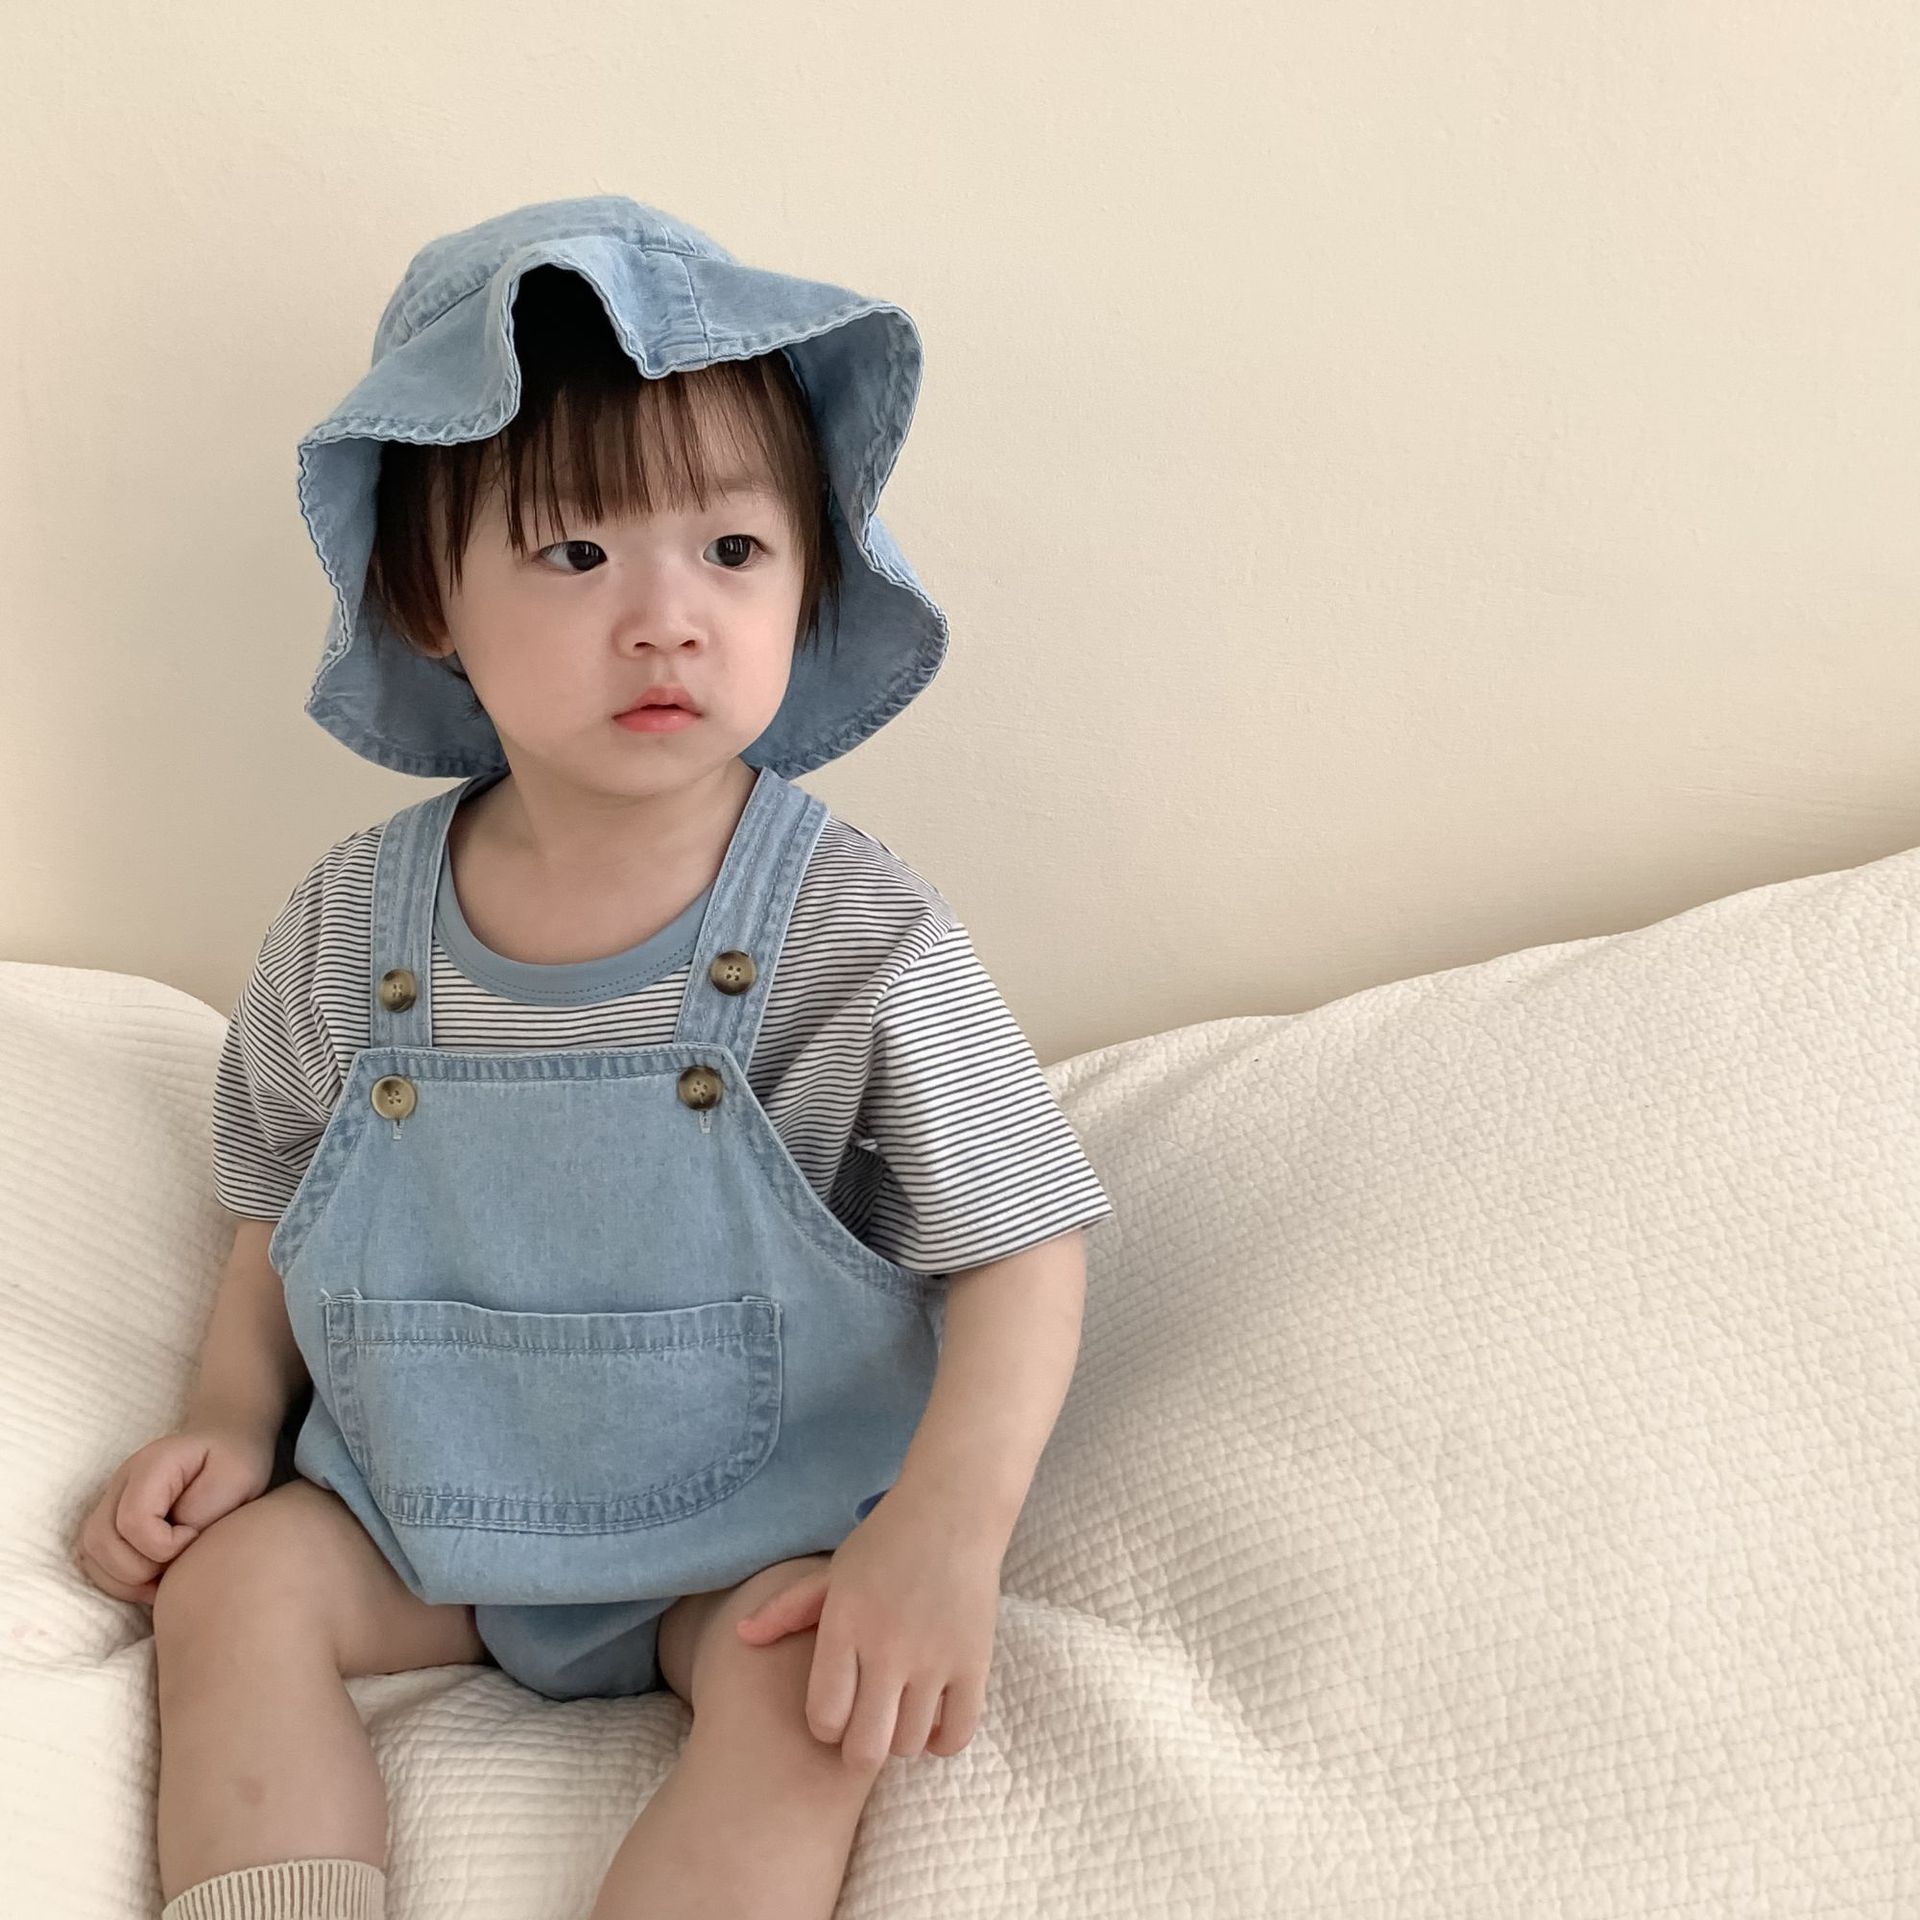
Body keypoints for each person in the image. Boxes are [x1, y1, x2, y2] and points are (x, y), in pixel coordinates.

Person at [70, 194, 1116, 1920]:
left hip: (753, 1537)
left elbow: (1023, 1239)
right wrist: (229, 1418)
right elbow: (279, 1196)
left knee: (811, 1696)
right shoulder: (351, 925)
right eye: (576, 555)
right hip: (420, 1511)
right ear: (429, 597)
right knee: (234, 1592)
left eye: (734, 549)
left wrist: (944, 1528)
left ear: (811, 575)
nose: (666, 618)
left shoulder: (845, 929)